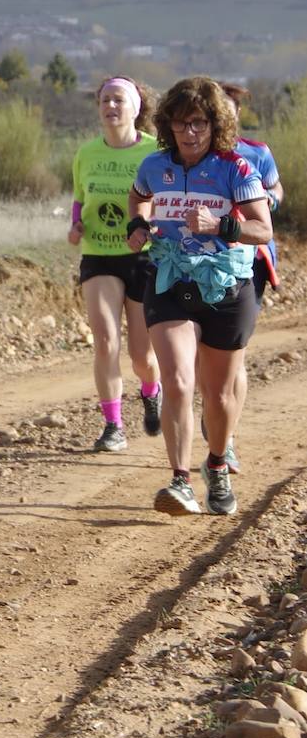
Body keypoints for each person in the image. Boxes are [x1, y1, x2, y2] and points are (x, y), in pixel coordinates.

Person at [127, 77, 272, 516]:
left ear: (214, 125)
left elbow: (263, 229)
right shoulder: (154, 166)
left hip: (227, 285)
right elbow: (138, 199)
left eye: (199, 123)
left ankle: (217, 464)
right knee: (176, 380)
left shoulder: (236, 168)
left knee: (219, 394)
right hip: (171, 279)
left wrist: (220, 226)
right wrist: (137, 226)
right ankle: (179, 480)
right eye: (181, 123)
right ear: (166, 124)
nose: (190, 133)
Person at [68, 76, 161, 452]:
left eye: (118, 100)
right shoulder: (86, 153)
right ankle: (112, 426)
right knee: (105, 340)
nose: (110, 107)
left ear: (135, 108)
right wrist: (74, 225)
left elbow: (167, 199)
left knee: (142, 354)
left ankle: (151, 392)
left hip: (143, 257)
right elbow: (79, 198)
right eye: (105, 100)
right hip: (98, 255)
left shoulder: (155, 152)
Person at [197, 83, 285, 473]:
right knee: (202, 357)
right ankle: (215, 409)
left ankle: (226, 438)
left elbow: (275, 187)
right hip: (195, 264)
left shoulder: (256, 152)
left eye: (229, 109)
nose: (224, 116)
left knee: (236, 357)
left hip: (249, 261)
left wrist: (271, 200)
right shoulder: (189, 154)